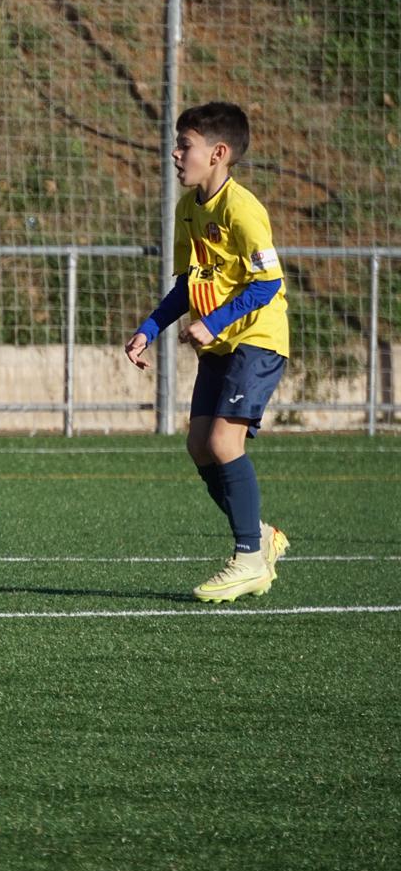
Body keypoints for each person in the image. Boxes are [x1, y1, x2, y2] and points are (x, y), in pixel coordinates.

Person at [125, 103, 291, 602]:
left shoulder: (243, 209)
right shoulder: (188, 209)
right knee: (199, 445)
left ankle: (248, 559)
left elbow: (268, 282)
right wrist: (149, 329)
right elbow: (186, 285)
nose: (175, 154)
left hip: (257, 338)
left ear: (218, 153)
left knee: (223, 442)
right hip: (219, 343)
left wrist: (213, 321)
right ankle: (259, 535)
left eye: (185, 146)